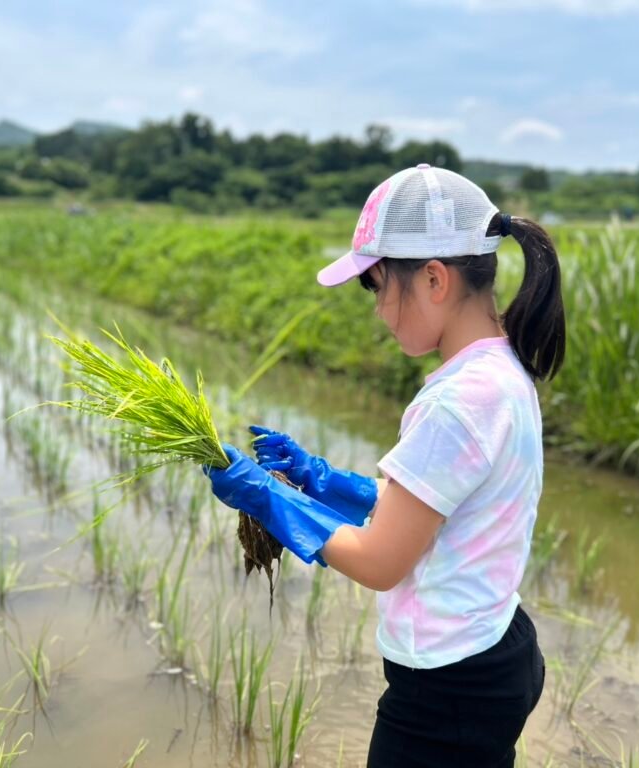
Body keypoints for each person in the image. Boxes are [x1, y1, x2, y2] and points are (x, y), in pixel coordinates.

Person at [205, 163, 565, 767]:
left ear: (432, 279)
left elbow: (381, 561)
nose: (378, 311)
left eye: (377, 288)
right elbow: (425, 508)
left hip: (446, 690)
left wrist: (266, 497)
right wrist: (318, 478)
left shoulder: (456, 402)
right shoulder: (500, 371)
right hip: (496, 649)